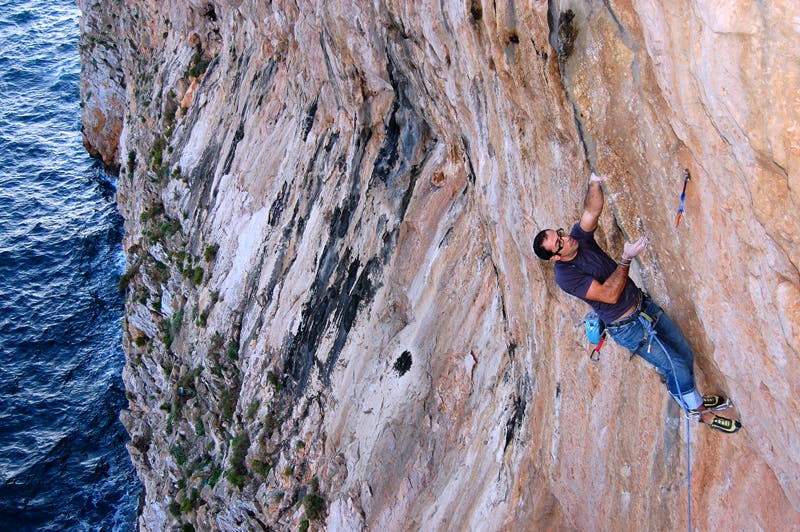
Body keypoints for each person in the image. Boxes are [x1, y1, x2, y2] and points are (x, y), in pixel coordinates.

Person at [533, 172, 740, 433]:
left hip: (643, 307)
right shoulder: (566, 276)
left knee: (684, 356)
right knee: (674, 366)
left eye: (559, 233)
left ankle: (690, 398)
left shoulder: (579, 239)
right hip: (628, 328)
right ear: (555, 257)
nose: (566, 238)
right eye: (558, 243)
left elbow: (591, 211)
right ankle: (698, 412)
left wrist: (594, 183)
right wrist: (626, 259)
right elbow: (608, 295)